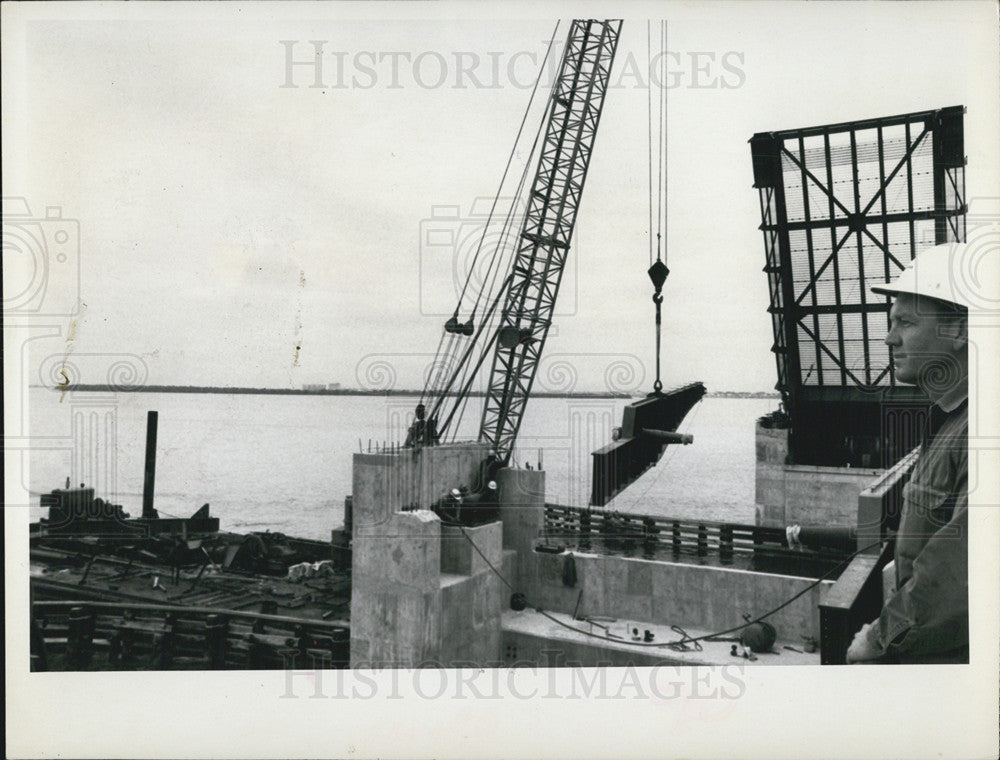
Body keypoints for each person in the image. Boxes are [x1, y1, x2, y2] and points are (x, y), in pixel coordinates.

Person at [846, 242, 975, 664]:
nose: (889, 338)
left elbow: (962, 568)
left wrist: (880, 638)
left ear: (958, 330)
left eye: (906, 322)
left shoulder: (979, 431)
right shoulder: (949, 420)